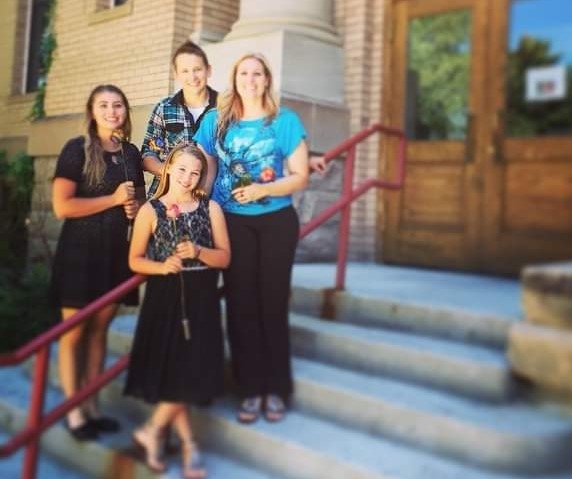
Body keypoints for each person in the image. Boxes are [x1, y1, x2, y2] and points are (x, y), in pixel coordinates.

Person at [193, 52, 310, 423]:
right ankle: (249, 389)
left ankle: (275, 388)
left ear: (267, 79)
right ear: (234, 78)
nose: (250, 79)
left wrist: (264, 191)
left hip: (276, 221)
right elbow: (203, 167)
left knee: (271, 304)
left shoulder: (284, 121)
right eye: (243, 73)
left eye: (257, 73)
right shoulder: (216, 120)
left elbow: (300, 175)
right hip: (231, 223)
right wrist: (198, 208)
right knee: (241, 305)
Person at [124, 143, 230, 477]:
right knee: (175, 372)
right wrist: (162, 266)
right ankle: (188, 445)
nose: (187, 178)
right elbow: (135, 259)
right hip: (164, 296)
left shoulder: (210, 208)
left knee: (190, 369)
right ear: (169, 168)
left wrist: (199, 251)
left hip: (201, 297)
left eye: (195, 173)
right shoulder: (150, 210)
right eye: (182, 170)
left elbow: (225, 257)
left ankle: (154, 430)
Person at [51, 84, 145, 441]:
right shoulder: (76, 150)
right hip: (79, 255)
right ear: (92, 111)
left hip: (114, 256)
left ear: (125, 111)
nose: (111, 111)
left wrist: (134, 208)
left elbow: (133, 202)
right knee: (74, 333)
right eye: (103, 105)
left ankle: (91, 407)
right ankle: (73, 412)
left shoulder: (131, 154)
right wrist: (111, 200)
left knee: (100, 332)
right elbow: (63, 207)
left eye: (118, 105)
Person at [141, 40, 218, 198]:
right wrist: (170, 172)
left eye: (197, 69)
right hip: (167, 195)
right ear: (176, 74)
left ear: (208, 70)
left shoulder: (224, 108)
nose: (192, 76)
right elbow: (147, 154)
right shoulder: (164, 108)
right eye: (185, 71)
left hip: (211, 196)